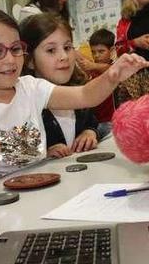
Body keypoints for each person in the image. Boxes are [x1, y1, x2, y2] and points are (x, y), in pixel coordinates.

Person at [0, 8, 149, 184]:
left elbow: (84, 95)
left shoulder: (31, 89)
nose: (10, 59)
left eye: (16, 49)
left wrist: (112, 75)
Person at [22, 13, 99, 158]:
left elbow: (92, 122)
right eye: (51, 50)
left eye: (68, 47)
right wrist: (43, 154)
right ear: (30, 60)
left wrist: (89, 132)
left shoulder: (78, 91)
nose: (64, 56)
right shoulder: (25, 103)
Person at [76, 28, 117, 138]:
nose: (96, 55)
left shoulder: (115, 67)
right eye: (93, 52)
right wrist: (72, 50)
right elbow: (82, 60)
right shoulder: (93, 69)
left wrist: (92, 65)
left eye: (101, 51)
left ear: (112, 50)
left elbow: (111, 70)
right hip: (96, 123)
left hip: (112, 122)